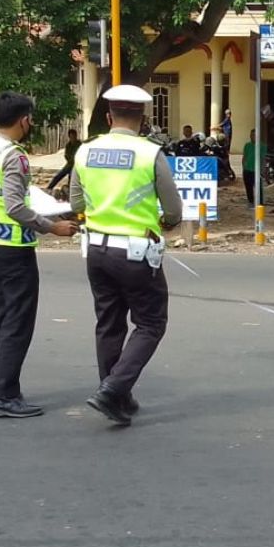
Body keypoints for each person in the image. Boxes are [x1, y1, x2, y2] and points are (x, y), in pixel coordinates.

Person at [70, 85, 183, 426]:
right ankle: (113, 389)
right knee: (150, 323)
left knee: (109, 323)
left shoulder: (86, 151)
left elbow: (77, 203)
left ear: (108, 117)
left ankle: (116, 395)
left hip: (97, 250)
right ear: (143, 119)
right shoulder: (150, 154)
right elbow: (173, 208)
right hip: (135, 253)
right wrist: (168, 222)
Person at [0, 92, 79, 418]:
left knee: (0, 317)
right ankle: (3, 396)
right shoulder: (14, 156)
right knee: (17, 321)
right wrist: (52, 227)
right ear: (23, 120)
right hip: (14, 248)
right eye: (30, 118)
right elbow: (15, 206)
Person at [242, 129, 265, 209]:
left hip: (256, 170)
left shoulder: (262, 146)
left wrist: (262, 170)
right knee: (248, 187)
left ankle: (260, 203)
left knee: (258, 187)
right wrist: (244, 166)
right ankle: (251, 202)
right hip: (247, 170)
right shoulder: (247, 145)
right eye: (251, 135)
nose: (252, 137)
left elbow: (263, 159)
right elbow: (244, 156)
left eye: (254, 135)